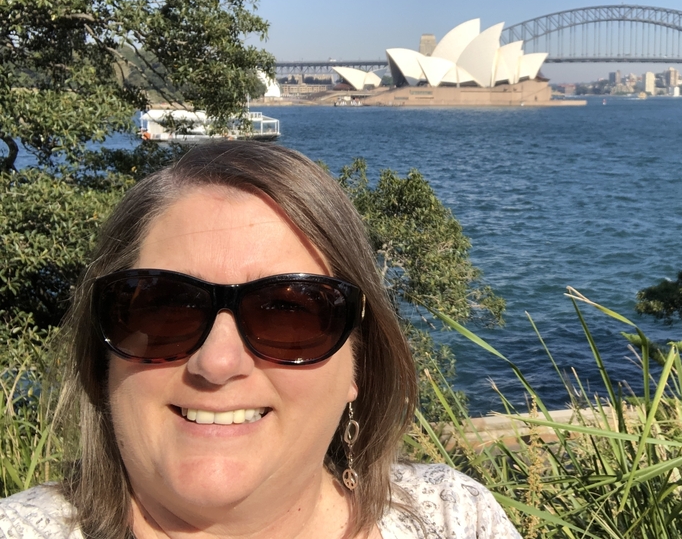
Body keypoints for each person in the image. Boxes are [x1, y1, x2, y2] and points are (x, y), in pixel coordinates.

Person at [0, 142, 521, 539]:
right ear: (102, 355)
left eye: (289, 313)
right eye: (165, 308)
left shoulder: (454, 519)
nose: (217, 362)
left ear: (358, 363)